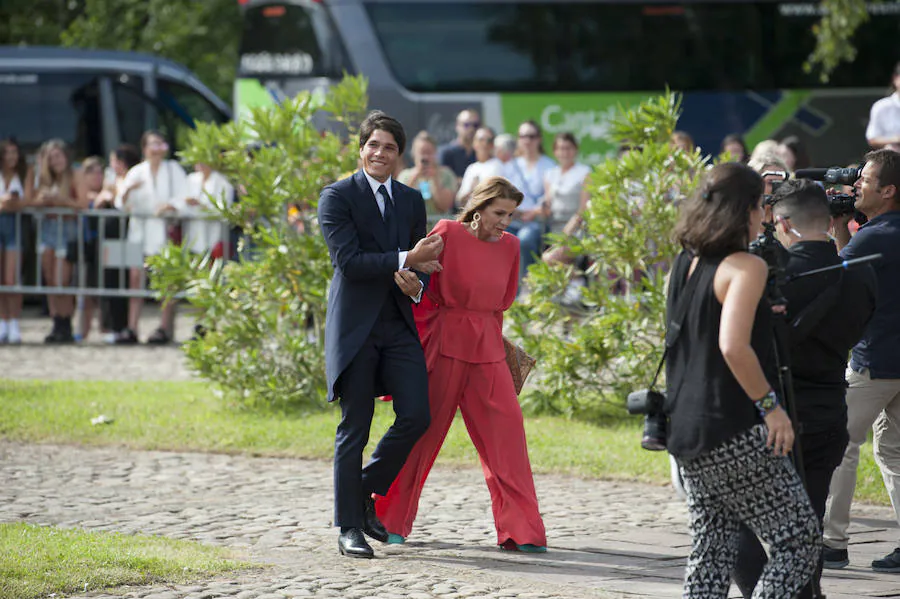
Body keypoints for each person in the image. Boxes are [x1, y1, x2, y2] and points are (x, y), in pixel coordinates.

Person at [666, 162, 819, 598]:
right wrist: (772, 409)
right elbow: (733, 346)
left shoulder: (685, 262)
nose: (764, 216)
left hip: (686, 428)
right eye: (760, 206)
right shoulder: (746, 266)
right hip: (731, 426)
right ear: (745, 211)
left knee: (711, 547)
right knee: (800, 540)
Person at [375, 176, 547, 553]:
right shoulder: (447, 233)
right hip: (445, 345)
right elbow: (424, 289)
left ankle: (522, 531)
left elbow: (503, 300)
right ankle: (387, 521)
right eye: (499, 213)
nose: (505, 221)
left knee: (508, 439)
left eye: (510, 215)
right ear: (480, 207)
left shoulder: (513, 247)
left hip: (488, 350)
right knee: (421, 436)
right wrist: (416, 288)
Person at [729, 179, 876, 599]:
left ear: (783, 223)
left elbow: (748, 346)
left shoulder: (772, 277)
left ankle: (774, 593)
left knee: (733, 515)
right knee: (806, 525)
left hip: (777, 414)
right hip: (830, 409)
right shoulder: (861, 276)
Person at [317, 110, 443, 559]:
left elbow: (423, 264)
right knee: (356, 425)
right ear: (361, 148)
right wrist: (405, 259)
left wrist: (416, 283)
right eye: (373, 145)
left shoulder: (411, 200)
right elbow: (349, 263)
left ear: (398, 154)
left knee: (417, 416)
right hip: (355, 329)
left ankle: (362, 492)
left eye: (389, 147)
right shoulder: (337, 196)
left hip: (397, 323)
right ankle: (349, 524)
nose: (380, 153)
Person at [823, 149, 900, 572]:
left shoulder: (872, 236)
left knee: (841, 444)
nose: (857, 186)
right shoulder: (878, 232)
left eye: (865, 180)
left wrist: (834, 228)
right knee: (895, 453)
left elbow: (837, 283)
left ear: (888, 191)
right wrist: (845, 227)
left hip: (873, 363)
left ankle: (832, 542)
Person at [115, 131, 188, 345]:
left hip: (163, 232)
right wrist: (127, 190)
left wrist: (171, 205)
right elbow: (121, 203)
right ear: (145, 148)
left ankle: (164, 328)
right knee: (135, 279)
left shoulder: (173, 170)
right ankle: (132, 327)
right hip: (139, 232)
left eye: (160, 143)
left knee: (165, 282)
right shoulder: (137, 172)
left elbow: (185, 196)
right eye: (153, 144)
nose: (157, 148)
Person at [33, 139, 84, 343]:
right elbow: (32, 201)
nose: (56, 160)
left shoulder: (76, 175)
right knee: (50, 279)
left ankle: (66, 323)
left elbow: (82, 203)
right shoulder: (43, 179)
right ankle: (56, 322)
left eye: (58, 156)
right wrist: (42, 201)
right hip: (48, 229)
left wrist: (63, 201)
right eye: (51, 157)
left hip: (68, 229)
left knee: (62, 279)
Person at [93, 144, 139, 343]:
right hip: (110, 235)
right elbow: (98, 202)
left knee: (123, 281)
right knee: (110, 279)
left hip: (127, 235)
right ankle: (111, 325)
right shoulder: (110, 182)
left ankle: (123, 326)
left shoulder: (131, 180)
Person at [504, 120, 556, 282]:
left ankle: (527, 287)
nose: (527, 140)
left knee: (524, 240)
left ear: (539, 139)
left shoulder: (549, 165)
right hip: (512, 219)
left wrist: (533, 212)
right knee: (499, 241)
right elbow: (504, 194)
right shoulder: (511, 165)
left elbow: (550, 198)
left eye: (531, 136)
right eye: (523, 136)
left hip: (537, 221)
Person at [397, 131, 458, 219]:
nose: (425, 157)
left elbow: (444, 206)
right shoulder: (405, 175)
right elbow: (400, 203)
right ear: (414, 153)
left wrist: (435, 179)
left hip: (438, 229)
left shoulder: (446, 174)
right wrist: (414, 177)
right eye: (422, 152)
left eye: (429, 152)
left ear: (436, 153)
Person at [182, 162, 234, 257]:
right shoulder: (191, 178)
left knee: (213, 261)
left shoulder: (222, 181)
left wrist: (203, 205)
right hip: (193, 231)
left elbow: (225, 209)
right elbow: (181, 202)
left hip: (214, 232)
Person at [456, 127, 503, 206]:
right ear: (474, 143)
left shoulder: (499, 165)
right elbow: (459, 201)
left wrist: (476, 190)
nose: (485, 143)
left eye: (489, 140)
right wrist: (471, 191)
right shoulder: (471, 168)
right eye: (481, 139)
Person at [866, 62, 900, 151]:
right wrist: (896, 140)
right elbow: (872, 139)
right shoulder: (881, 106)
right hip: (891, 159)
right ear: (895, 79)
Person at [438, 108, 480, 178]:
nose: (471, 129)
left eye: (475, 125)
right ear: (457, 126)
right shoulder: (447, 153)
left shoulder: (481, 152)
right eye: (466, 125)